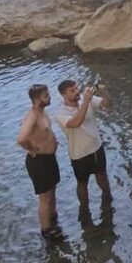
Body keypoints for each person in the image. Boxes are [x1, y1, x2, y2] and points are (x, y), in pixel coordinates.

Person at [53, 79, 112, 210]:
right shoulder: (61, 113)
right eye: (72, 90)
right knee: (82, 183)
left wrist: (104, 92)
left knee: (102, 175)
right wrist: (85, 101)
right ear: (64, 95)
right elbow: (76, 123)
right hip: (79, 154)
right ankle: (84, 208)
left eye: (76, 88)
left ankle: (108, 199)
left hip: (96, 147)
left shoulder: (86, 99)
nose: (77, 91)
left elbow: (106, 105)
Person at [15, 83, 61, 237]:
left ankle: (53, 217)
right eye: (46, 96)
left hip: (49, 159)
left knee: (52, 189)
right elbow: (21, 139)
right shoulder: (32, 116)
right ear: (36, 99)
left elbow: (44, 132)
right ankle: (46, 229)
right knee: (44, 196)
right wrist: (33, 149)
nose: (49, 98)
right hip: (39, 162)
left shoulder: (42, 111)